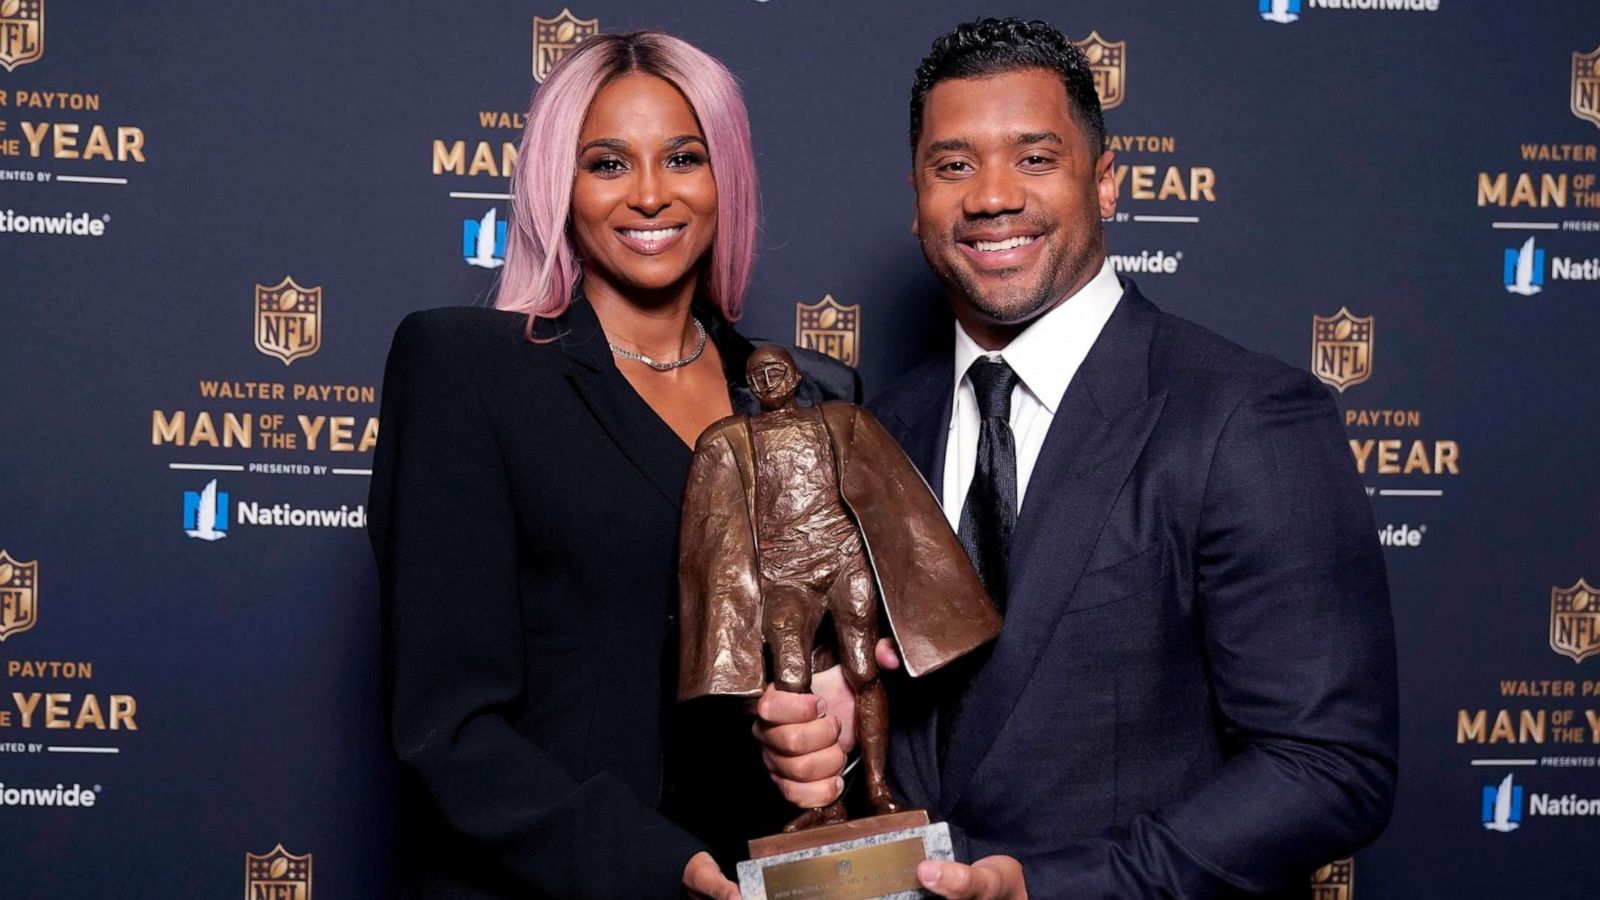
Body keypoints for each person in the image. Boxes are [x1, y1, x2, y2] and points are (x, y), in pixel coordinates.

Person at [753, 17, 1398, 899]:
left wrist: (1053, 886)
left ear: (1105, 182)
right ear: (917, 201)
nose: (990, 197)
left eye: (1033, 158)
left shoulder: (1243, 416)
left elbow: (1329, 766)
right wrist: (828, 736)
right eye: (953, 166)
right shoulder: (879, 429)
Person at [368, 31, 855, 899]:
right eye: (607, 163)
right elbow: (445, 724)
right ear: (559, 186)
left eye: (682, 157)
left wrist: (825, 723)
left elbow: (819, 666)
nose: (650, 194)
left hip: (763, 876)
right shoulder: (466, 368)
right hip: (555, 883)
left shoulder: (809, 394)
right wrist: (655, 864)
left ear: (725, 178)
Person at [676, 345, 1000, 832]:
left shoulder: (840, 420)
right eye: (757, 375)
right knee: (790, 684)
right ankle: (821, 804)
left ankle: (876, 787)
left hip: (845, 563)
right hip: (785, 578)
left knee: (864, 670)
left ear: (796, 376)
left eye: (776, 371)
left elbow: (897, 500)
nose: (767, 381)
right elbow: (711, 537)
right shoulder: (731, 440)